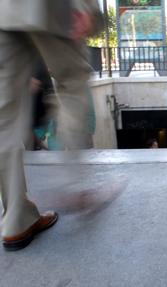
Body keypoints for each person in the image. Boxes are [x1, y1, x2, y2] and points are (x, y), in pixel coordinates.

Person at [0, 0, 103, 251]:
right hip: (48, 6)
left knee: (5, 115)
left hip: (5, 12)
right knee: (73, 81)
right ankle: (73, 188)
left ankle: (16, 218)